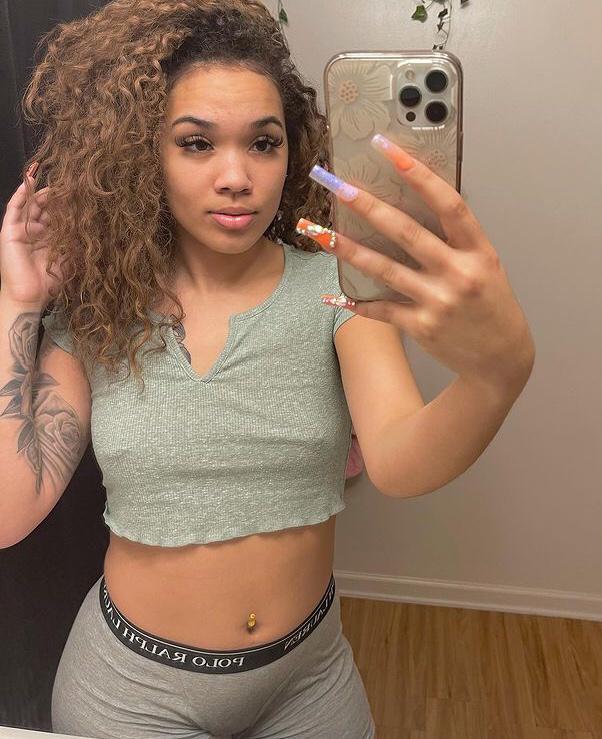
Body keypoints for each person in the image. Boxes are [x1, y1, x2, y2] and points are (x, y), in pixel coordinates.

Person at [0, 1, 535, 737]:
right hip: (131, 693)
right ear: (145, 155)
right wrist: (19, 301)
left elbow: (401, 462)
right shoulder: (102, 310)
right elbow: (9, 510)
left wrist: (497, 375)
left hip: (307, 679)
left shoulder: (337, 287)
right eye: (196, 144)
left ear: (293, 150)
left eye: (263, 142)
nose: (237, 176)